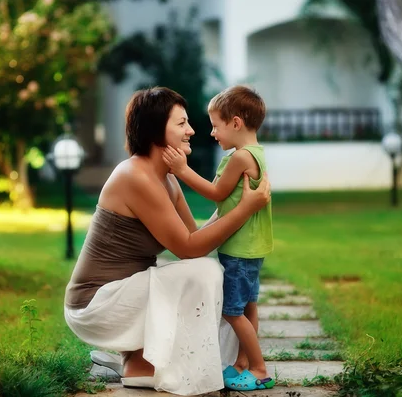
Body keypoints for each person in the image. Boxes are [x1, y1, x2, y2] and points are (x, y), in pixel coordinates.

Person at [63, 86, 271, 396]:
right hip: (97, 303)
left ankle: (137, 361)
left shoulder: (166, 177)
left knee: (219, 283)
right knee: (206, 273)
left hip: (127, 290)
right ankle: (142, 360)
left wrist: (238, 205)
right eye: (181, 123)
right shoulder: (136, 176)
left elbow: (196, 238)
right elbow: (189, 248)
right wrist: (244, 209)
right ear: (155, 130)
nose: (191, 130)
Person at [162, 85, 274, 391]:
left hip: (239, 250)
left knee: (232, 311)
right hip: (250, 247)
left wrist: (182, 171)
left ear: (236, 123)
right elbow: (229, 203)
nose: (212, 133)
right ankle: (242, 364)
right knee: (249, 307)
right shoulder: (256, 153)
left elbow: (216, 193)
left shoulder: (240, 158)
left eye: (216, 126)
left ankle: (260, 369)